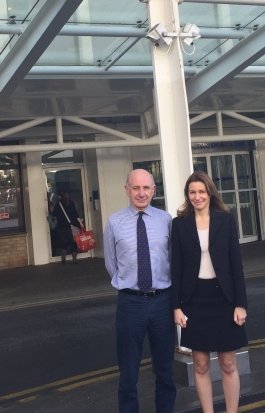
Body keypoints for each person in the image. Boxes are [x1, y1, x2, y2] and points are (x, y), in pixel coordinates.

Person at [171, 171, 248, 413]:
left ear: (210, 193)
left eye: (201, 192)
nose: (197, 196)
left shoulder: (225, 219)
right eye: (192, 192)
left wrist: (240, 303)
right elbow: (177, 267)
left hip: (224, 299)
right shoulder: (179, 224)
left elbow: (236, 263)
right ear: (188, 195)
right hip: (194, 300)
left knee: (227, 362)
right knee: (201, 365)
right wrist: (176, 306)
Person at [104, 169, 176, 413]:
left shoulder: (166, 220)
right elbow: (111, 263)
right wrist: (127, 282)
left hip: (162, 303)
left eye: (146, 188)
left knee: (165, 371)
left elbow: (172, 259)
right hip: (130, 304)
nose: (141, 193)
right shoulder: (114, 222)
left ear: (154, 190)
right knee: (128, 373)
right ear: (127, 190)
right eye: (136, 188)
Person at [51, 189, 83, 264]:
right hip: (72, 226)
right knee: (73, 243)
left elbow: (53, 214)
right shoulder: (71, 203)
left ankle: (63, 260)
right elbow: (76, 214)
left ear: (59, 196)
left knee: (63, 244)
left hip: (61, 227)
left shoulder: (58, 205)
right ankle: (74, 259)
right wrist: (81, 223)